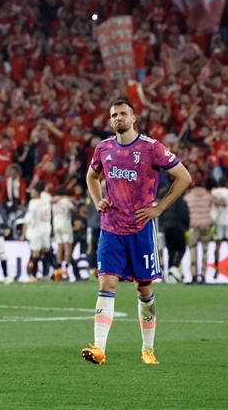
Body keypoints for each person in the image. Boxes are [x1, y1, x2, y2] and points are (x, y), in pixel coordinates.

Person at [82, 99, 191, 366]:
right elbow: (91, 177)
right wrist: (99, 201)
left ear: (133, 117)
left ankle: (148, 349)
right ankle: (99, 349)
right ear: (110, 121)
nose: (118, 118)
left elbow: (184, 177)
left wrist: (159, 208)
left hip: (141, 229)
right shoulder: (103, 148)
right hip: (111, 227)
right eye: (113, 115)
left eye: (122, 113)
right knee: (106, 283)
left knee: (144, 289)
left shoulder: (151, 148)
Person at [22, 184, 52, 282]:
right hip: (43, 231)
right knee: (41, 254)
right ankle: (36, 274)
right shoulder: (46, 200)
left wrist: (24, 232)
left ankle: (33, 274)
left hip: (37, 231)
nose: (31, 193)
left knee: (37, 255)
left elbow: (27, 219)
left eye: (33, 191)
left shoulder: (33, 203)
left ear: (37, 192)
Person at [183, 185, 212, 284]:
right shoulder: (208, 196)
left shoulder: (188, 197)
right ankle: (203, 275)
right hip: (205, 225)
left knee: (193, 250)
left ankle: (194, 275)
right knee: (205, 251)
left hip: (193, 226)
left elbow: (185, 212)